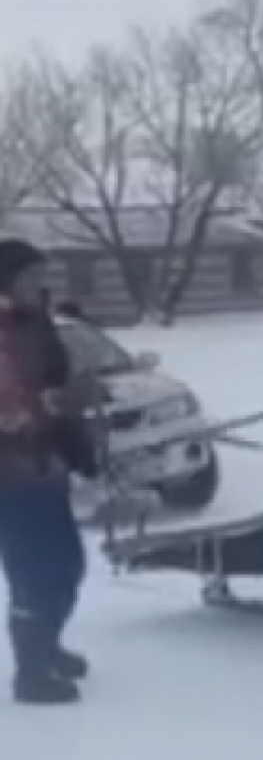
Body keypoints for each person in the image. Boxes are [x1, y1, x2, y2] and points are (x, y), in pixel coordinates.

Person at [0, 239, 98, 705]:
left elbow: (55, 380)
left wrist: (77, 438)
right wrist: (57, 402)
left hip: (45, 464)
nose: (41, 284)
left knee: (67, 566)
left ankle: (47, 646)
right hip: (11, 474)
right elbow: (12, 405)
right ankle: (30, 674)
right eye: (30, 276)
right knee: (36, 571)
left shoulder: (36, 321)